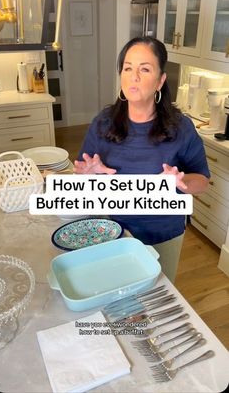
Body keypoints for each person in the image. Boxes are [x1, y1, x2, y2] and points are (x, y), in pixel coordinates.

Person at [73, 36, 210, 283]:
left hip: (163, 234)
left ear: (160, 81)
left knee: (155, 297)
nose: (133, 76)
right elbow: (83, 181)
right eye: (128, 68)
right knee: (117, 296)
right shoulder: (102, 123)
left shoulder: (182, 128)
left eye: (144, 69)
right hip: (111, 231)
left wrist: (180, 182)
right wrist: (87, 177)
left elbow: (202, 181)